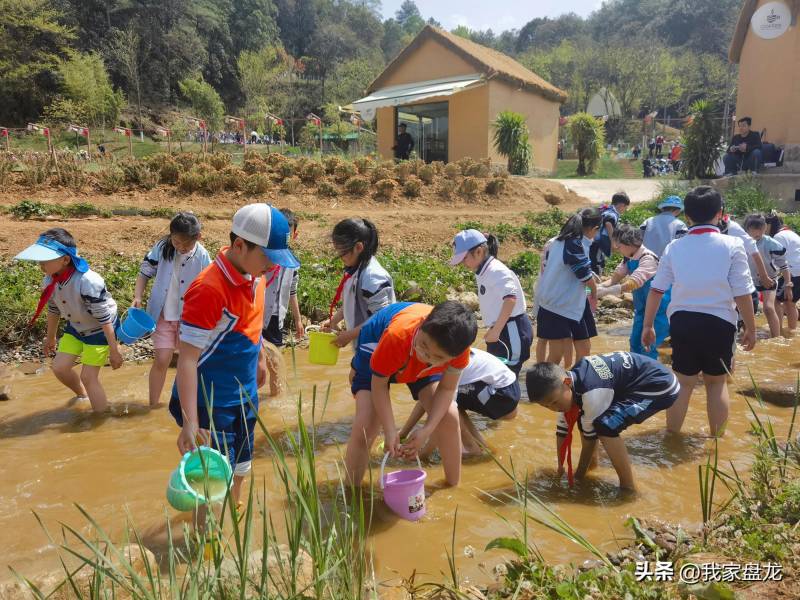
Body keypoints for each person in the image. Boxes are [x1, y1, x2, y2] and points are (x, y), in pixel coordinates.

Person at [171, 203, 300, 505]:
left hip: (244, 394)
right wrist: (191, 421)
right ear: (240, 245)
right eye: (268, 257)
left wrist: (259, 363)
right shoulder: (208, 290)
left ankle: (233, 517)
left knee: (241, 465)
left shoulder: (257, 275)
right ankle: (209, 541)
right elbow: (187, 360)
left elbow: (251, 327)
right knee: (212, 480)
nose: (274, 266)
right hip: (210, 403)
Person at [642, 186, 756, 437]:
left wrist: (647, 325)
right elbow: (742, 292)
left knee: (682, 383)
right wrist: (750, 327)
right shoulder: (733, 244)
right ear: (720, 214)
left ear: (687, 217)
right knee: (716, 384)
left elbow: (656, 290)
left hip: (683, 321)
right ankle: (717, 443)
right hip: (719, 322)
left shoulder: (674, 247)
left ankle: (671, 438)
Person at [345, 301, 477, 487]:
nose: (426, 356)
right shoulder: (397, 336)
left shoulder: (459, 351)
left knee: (449, 416)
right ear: (422, 325)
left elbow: (447, 389)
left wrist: (427, 430)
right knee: (367, 424)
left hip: (414, 356)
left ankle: (453, 487)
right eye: (424, 345)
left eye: (438, 357)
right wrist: (390, 431)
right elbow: (380, 385)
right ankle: (351, 492)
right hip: (379, 346)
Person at [526, 352, 679, 491]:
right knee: (587, 420)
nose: (553, 408)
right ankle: (593, 466)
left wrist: (578, 478)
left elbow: (589, 442)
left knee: (605, 427)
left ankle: (629, 488)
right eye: (546, 406)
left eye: (554, 402)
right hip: (630, 384)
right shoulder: (568, 383)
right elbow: (562, 430)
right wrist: (560, 467)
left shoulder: (591, 391)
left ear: (566, 383)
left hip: (659, 386)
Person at [14, 228, 122, 412]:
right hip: (76, 327)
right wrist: (50, 337)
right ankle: (83, 396)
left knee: (89, 377)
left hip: (100, 331)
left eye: (46, 260)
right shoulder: (50, 281)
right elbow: (54, 309)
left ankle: (101, 419)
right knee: (60, 367)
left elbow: (104, 319)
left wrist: (114, 350)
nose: (41, 264)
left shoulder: (88, 282)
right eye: (40, 260)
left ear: (65, 260)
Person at [134, 213, 210, 408]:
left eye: (186, 245)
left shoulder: (202, 255)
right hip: (163, 314)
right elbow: (144, 273)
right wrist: (138, 296)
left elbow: (210, 286)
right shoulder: (161, 248)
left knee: (187, 362)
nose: (181, 248)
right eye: (176, 242)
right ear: (170, 236)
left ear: (198, 237)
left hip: (189, 317)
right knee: (162, 359)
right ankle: (153, 406)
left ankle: (186, 406)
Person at [399, 348, 519, 457]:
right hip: (509, 387)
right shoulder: (442, 350)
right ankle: (479, 444)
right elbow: (424, 400)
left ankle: (471, 447)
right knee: (441, 400)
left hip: (499, 392)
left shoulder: (441, 362)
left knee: (444, 403)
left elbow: (440, 410)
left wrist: (424, 453)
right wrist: (403, 434)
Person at [449, 229, 532, 375]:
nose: (463, 263)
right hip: (500, 329)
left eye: (464, 258)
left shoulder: (496, 270)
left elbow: (511, 299)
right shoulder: (482, 269)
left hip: (511, 330)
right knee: (496, 374)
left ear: (479, 252)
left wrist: (496, 330)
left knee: (507, 376)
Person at [535, 208, 601, 367]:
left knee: (584, 348)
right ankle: (544, 385)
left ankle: (575, 384)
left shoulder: (560, 240)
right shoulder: (574, 243)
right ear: (594, 229)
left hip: (569, 301)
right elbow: (582, 273)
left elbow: (572, 267)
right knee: (557, 354)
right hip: (558, 304)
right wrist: (594, 290)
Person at [598, 225, 669, 360]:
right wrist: (594, 289)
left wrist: (608, 292)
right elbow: (613, 279)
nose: (617, 249)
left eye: (619, 246)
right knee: (635, 344)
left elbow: (633, 283)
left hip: (658, 311)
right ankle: (636, 376)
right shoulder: (629, 258)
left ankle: (650, 378)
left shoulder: (647, 258)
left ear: (630, 243)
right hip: (641, 310)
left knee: (648, 346)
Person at [323, 218, 395, 348]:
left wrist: (349, 335)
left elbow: (381, 318)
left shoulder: (373, 277)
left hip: (378, 348)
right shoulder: (354, 269)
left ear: (358, 247)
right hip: (365, 346)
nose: (340, 256)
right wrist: (334, 320)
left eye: (342, 252)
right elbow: (351, 303)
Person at [262, 209, 305, 395]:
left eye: (289, 234)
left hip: (276, 316)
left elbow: (292, 291)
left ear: (295, 234)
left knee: (275, 363)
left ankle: (274, 399)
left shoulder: (292, 262)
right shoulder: (263, 254)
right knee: (254, 363)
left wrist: (297, 319)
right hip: (256, 314)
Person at [744, 213, 791, 338]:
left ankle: (776, 338)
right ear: (747, 229)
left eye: (760, 229)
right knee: (745, 309)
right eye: (753, 229)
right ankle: (746, 335)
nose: (756, 232)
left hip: (769, 279)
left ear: (765, 228)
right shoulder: (742, 242)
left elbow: (783, 265)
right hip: (749, 280)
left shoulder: (771, 243)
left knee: (769, 308)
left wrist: (788, 283)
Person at [767, 214, 800, 333]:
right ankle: (792, 331)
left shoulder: (778, 236)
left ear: (769, 225)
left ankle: (778, 331)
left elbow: (778, 259)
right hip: (797, 270)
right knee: (790, 302)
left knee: (776, 300)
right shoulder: (791, 233)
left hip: (794, 271)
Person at [590, 192, 630, 274]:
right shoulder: (612, 214)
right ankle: (594, 283)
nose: (625, 209)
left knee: (599, 261)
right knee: (597, 263)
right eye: (625, 207)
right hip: (598, 243)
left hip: (595, 241)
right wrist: (613, 242)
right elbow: (608, 223)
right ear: (621, 205)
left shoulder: (607, 210)